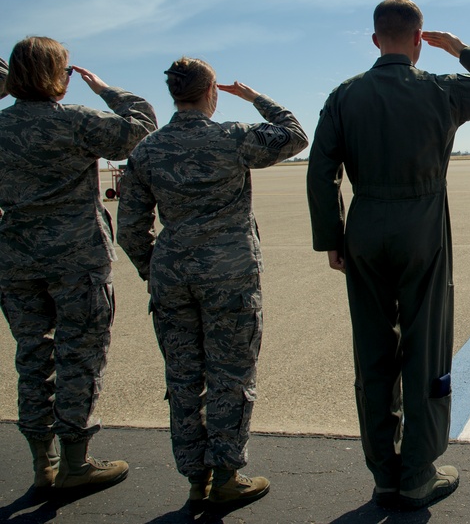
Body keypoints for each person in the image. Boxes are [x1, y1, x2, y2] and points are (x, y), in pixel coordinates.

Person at [307, 0, 470, 510]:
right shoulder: (439, 89)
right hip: (422, 225)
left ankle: (385, 474)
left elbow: (320, 170)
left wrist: (332, 239)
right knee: (424, 347)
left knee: (373, 352)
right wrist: (463, 51)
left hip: (364, 227)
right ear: (418, 39)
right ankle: (418, 473)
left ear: (374, 39)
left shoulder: (345, 96)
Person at [116, 57, 307, 509]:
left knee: (183, 377)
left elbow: (129, 230)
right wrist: (257, 97)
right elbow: (295, 136)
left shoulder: (147, 150)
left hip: (172, 278)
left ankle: (194, 477)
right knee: (231, 373)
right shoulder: (232, 137)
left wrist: (154, 269)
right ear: (211, 93)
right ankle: (226, 474)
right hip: (230, 276)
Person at [0, 36, 157, 491]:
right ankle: (76, 461)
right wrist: (105, 89)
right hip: (77, 259)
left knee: (32, 355)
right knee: (80, 357)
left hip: (15, 261)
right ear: (59, 76)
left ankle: (41, 463)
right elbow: (141, 126)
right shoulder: (75, 122)